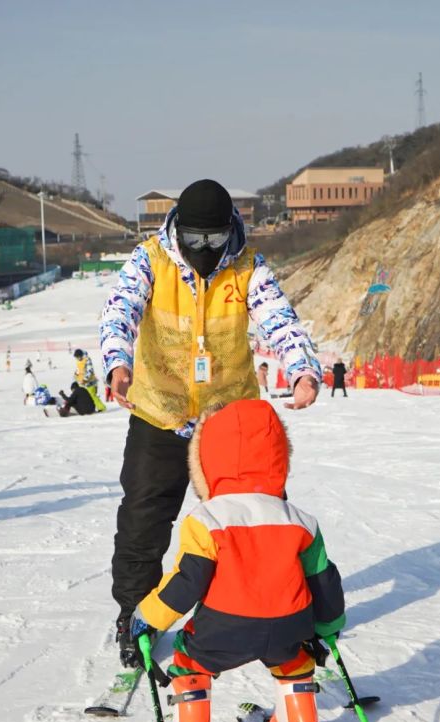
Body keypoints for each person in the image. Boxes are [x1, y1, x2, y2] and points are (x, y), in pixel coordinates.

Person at [99, 178, 322, 670]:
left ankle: (270, 606)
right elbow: (120, 312)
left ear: (230, 232)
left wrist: (302, 367)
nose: (204, 250)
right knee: (143, 521)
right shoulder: (150, 258)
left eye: (214, 241)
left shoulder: (248, 267)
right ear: (178, 230)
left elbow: (280, 321)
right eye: (195, 240)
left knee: (255, 519)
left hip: (229, 424)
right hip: (160, 411)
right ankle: (135, 615)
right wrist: (117, 362)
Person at [129, 399, 346, 722]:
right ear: (280, 456)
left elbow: (186, 583)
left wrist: (146, 617)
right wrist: (328, 627)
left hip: (222, 629)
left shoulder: (207, 519)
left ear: (207, 462)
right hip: (288, 626)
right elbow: (323, 579)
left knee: (189, 663)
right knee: (295, 662)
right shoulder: (299, 519)